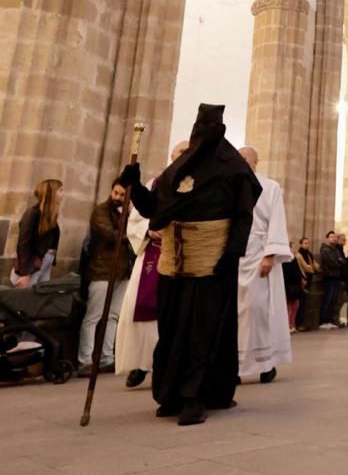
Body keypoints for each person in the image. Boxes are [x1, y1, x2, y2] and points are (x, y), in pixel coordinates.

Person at [123, 103, 260, 426]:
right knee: (171, 329)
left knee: (204, 331)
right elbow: (156, 210)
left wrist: (232, 253)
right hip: (174, 263)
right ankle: (170, 393)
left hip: (212, 263)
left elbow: (243, 215)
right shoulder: (176, 170)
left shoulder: (234, 170)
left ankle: (196, 396)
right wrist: (136, 185)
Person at [116, 142, 188, 389]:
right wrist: (149, 230)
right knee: (143, 312)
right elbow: (136, 217)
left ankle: (171, 367)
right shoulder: (156, 184)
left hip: (183, 256)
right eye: (178, 154)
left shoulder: (196, 184)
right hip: (153, 254)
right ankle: (140, 364)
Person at [236, 147, 293, 383]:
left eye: (246, 159)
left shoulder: (270, 187)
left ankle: (265, 363)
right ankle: (234, 365)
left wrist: (270, 254)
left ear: (256, 161)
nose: (242, 163)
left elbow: (277, 220)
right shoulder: (230, 186)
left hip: (259, 253)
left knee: (258, 310)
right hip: (235, 254)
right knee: (234, 313)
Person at [75, 180, 134, 376]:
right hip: (102, 270)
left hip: (122, 271)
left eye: (122, 195)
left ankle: (106, 358)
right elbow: (109, 235)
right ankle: (85, 360)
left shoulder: (128, 214)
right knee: (94, 316)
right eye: (116, 193)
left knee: (113, 316)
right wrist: (133, 233)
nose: (117, 197)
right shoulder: (101, 211)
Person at [10, 178, 63, 287]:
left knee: (38, 300)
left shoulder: (50, 216)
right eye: (60, 190)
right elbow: (23, 244)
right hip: (32, 266)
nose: (63, 194)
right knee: (25, 299)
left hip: (45, 263)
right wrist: (26, 273)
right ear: (51, 193)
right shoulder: (32, 213)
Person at [318, 230, 344, 328]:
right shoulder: (325, 250)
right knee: (327, 300)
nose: (334, 238)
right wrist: (338, 262)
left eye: (335, 237)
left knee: (333, 300)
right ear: (327, 238)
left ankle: (329, 320)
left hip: (335, 277)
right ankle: (323, 321)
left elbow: (342, 261)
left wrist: (339, 262)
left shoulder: (335, 250)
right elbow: (332, 262)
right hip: (329, 277)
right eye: (332, 237)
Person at [293, 236, 316, 330]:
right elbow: (306, 267)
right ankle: (297, 324)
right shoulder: (299, 254)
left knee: (304, 304)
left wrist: (315, 267)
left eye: (308, 243)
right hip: (302, 280)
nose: (307, 245)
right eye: (305, 243)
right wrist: (313, 268)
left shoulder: (309, 254)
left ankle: (302, 323)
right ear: (301, 244)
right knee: (300, 303)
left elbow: (314, 264)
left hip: (309, 280)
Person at [282, 249, 303, 332]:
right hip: (290, 285)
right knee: (289, 306)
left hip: (293, 285)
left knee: (294, 306)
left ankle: (291, 324)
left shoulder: (291, 258)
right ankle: (289, 325)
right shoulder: (288, 259)